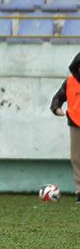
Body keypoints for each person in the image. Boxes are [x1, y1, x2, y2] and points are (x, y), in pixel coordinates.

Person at [50, 51, 80, 204]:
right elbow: (58, 97)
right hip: (75, 123)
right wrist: (56, 108)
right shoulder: (69, 82)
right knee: (77, 158)